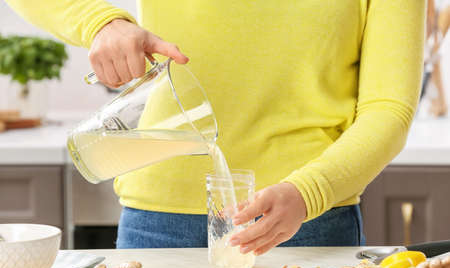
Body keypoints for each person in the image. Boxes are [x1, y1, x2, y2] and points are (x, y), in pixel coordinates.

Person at [6, 0, 425, 254]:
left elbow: (388, 108)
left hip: (308, 223)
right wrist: (100, 21)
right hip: (159, 224)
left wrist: (308, 192)